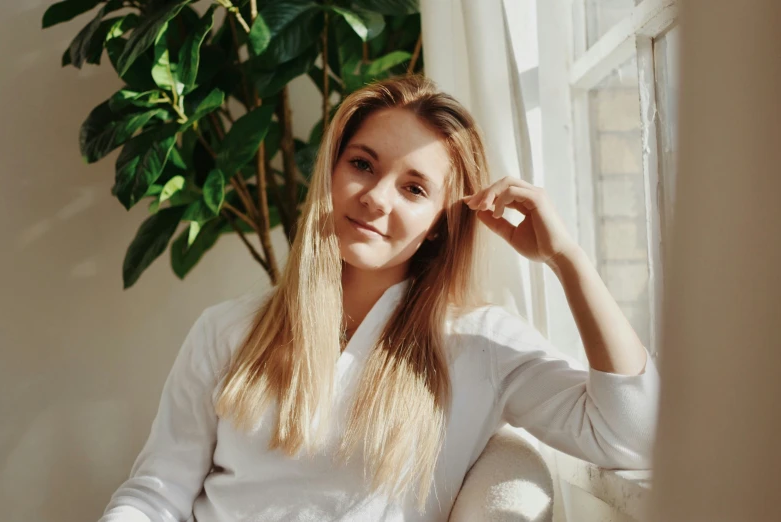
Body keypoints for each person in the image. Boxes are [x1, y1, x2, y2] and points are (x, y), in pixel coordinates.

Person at [99, 75, 658, 522]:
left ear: (441, 222)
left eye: (414, 188)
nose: (374, 198)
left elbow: (632, 436)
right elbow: (157, 492)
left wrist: (567, 259)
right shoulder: (228, 329)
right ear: (332, 172)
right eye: (361, 164)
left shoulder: (479, 344)